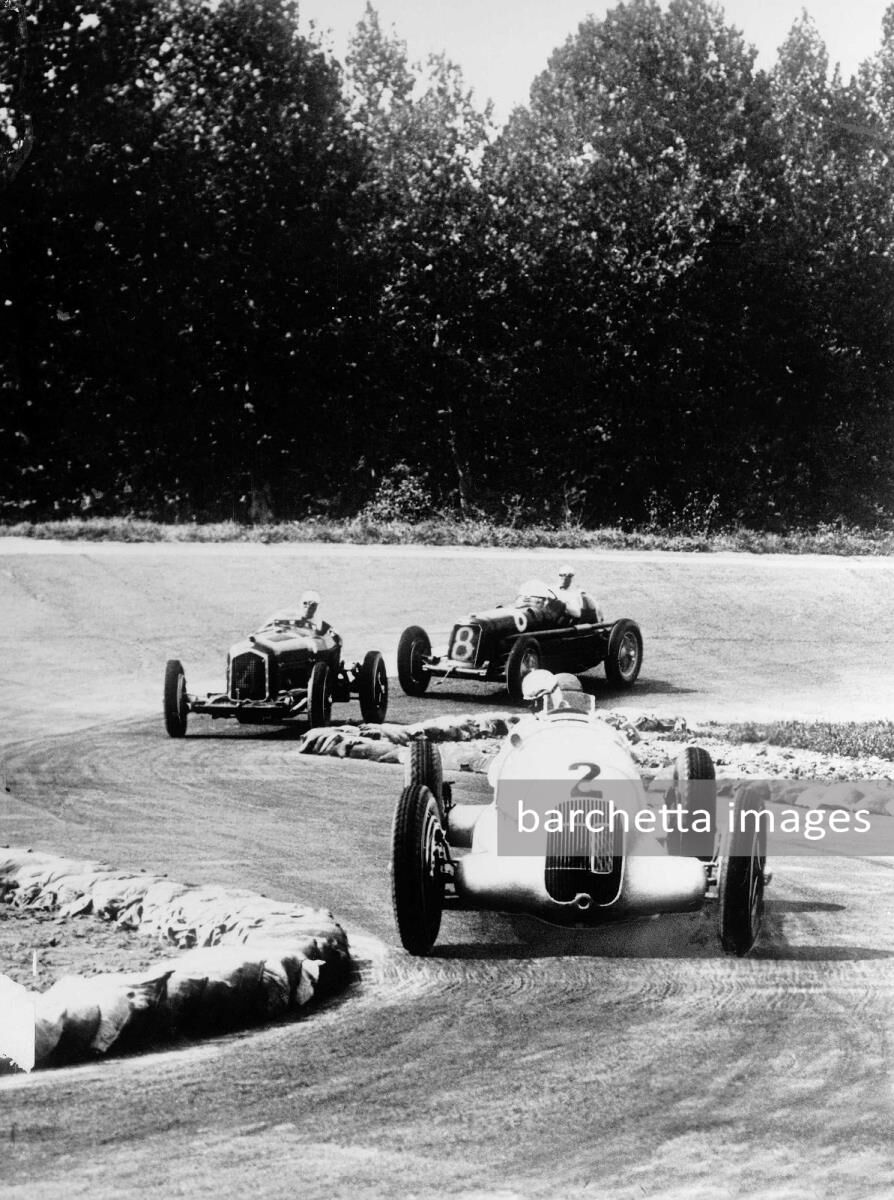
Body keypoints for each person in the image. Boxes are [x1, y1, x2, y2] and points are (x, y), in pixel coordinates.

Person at [259, 590, 334, 636]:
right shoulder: (285, 615)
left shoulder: (319, 623)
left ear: (316, 607)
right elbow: (266, 626)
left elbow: (333, 635)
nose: (308, 607)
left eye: (312, 605)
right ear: (300, 603)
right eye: (305, 603)